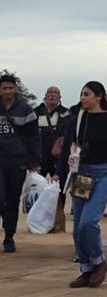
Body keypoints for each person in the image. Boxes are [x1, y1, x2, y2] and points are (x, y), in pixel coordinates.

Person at [54, 81, 107, 287]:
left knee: (89, 221)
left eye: (86, 94)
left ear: (99, 96)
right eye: (81, 94)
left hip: (103, 173)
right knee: (78, 226)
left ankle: (99, 261)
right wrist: (72, 155)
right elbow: (75, 143)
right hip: (83, 174)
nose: (82, 98)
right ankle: (86, 269)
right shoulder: (80, 118)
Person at [0, 74, 41, 253]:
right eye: (4, 88)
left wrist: (34, 160)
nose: (7, 91)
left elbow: (34, 136)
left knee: (12, 198)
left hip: (17, 159)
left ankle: (9, 236)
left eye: (10, 88)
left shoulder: (25, 109)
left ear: (15, 89)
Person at [34, 86, 70, 181]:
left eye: (55, 92)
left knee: (60, 189)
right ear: (45, 96)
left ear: (59, 97)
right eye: (50, 92)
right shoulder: (36, 112)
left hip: (58, 157)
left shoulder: (66, 113)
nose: (52, 95)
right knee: (36, 188)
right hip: (40, 157)